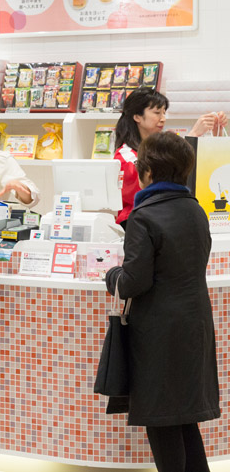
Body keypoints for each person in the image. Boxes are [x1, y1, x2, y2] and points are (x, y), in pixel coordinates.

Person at [104, 131, 219, 471]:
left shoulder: (144, 216)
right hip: (195, 324)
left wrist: (111, 275)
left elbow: (134, 282)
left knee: (162, 421)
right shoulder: (196, 210)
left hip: (158, 332)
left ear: (148, 172)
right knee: (183, 419)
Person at [114, 87, 226, 226]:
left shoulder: (159, 147)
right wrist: (193, 135)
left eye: (164, 113)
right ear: (137, 116)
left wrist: (215, 134)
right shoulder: (126, 156)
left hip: (165, 218)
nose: (163, 118)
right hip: (138, 223)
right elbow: (151, 187)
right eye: (156, 112)